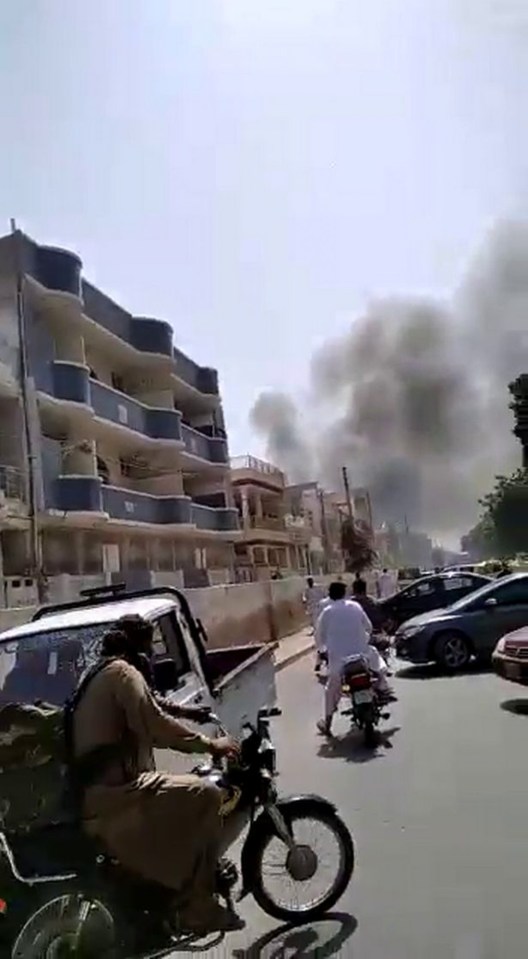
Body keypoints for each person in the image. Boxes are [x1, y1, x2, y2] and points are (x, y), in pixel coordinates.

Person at [71, 615, 242, 935]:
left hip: (102, 792)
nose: (150, 654)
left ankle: (173, 888)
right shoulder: (123, 673)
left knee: (181, 791)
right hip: (116, 796)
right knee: (206, 794)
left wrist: (188, 712)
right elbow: (153, 724)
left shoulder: (102, 672)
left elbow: (150, 701)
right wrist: (210, 745)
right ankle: (198, 908)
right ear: (137, 645)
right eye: (148, 645)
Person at [315, 581, 395, 736]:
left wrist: (322, 651)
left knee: (331, 690)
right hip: (362, 657)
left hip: (339, 662)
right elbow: (369, 627)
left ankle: (328, 723)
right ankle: (383, 689)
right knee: (377, 666)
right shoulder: (355, 607)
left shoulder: (327, 612)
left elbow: (319, 638)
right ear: (344, 593)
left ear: (330, 594)